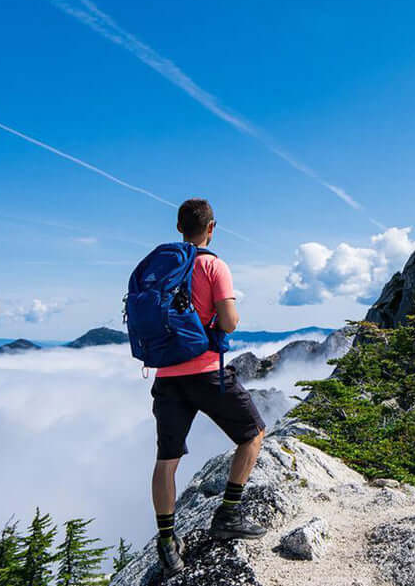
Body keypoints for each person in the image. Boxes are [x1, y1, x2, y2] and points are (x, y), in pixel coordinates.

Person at [149, 198, 266, 574]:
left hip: (167, 376)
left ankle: (167, 542)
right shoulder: (214, 265)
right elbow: (229, 322)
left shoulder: (162, 269)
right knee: (253, 435)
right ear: (212, 228)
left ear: (179, 228)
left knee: (166, 462)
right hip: (205, 371)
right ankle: (228, 514)